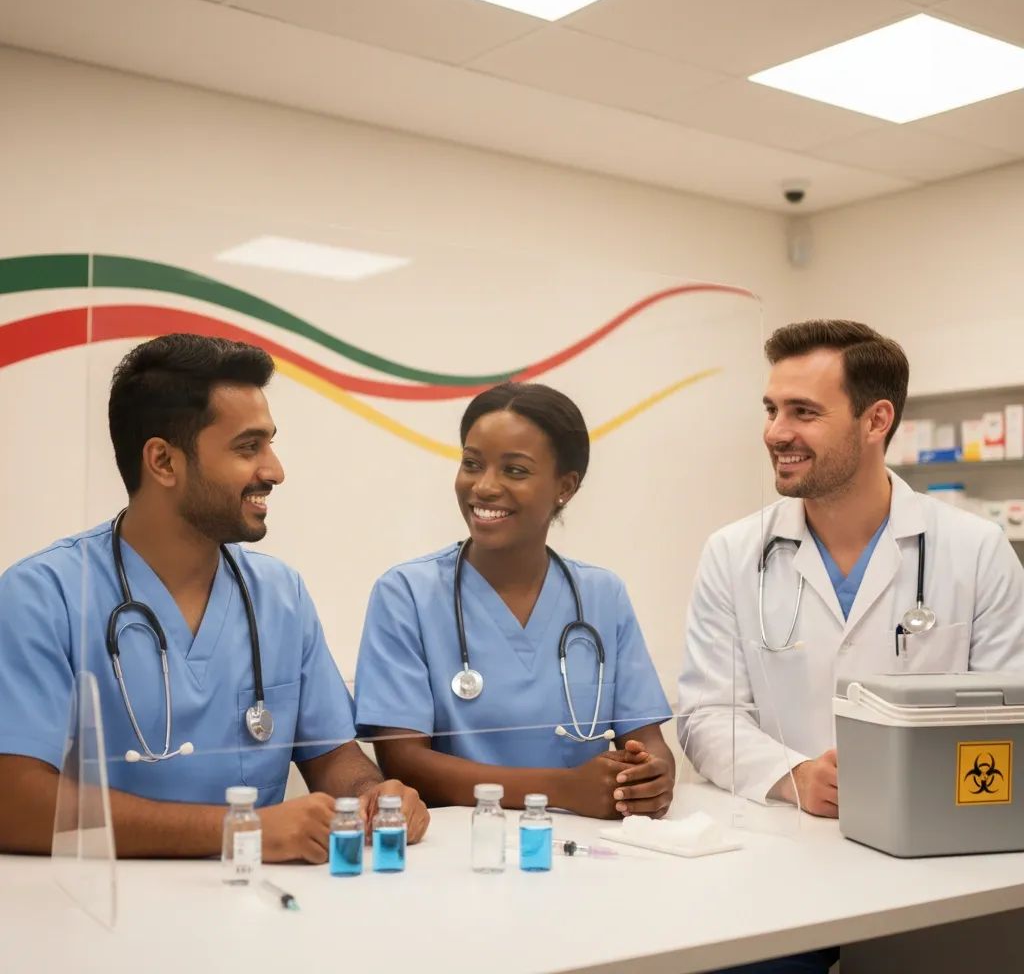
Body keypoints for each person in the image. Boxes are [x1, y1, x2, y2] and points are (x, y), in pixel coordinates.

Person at [0, 333, 428, 861]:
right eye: (248, 447)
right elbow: (14, 802)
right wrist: (240, 830)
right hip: (102, 916)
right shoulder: (43, 596)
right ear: (163, 462)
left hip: (260, 904)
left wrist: (370, 794)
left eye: (269, 444)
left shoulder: (280, 594)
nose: (274, 470)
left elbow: (331, 754)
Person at [679, 319, 1024, 816]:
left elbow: (1003, 719)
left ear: (876, 421)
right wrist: (793, 776)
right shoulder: (733, 552)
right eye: (772, 410)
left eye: (804, 412)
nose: (776, 433)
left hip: (930, 828)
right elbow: (707, 714)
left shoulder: (977, 550)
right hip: (781, 836)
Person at [355, 382, 675, 817]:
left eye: (515, 470)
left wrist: (650, 778)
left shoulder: (603, 595)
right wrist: (563, 790)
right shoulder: (406, 594)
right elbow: (403, 761)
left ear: (565, 486)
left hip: (586, 848)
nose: (484, 487)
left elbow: (649, 743)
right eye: (471, 463)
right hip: (457, 848)